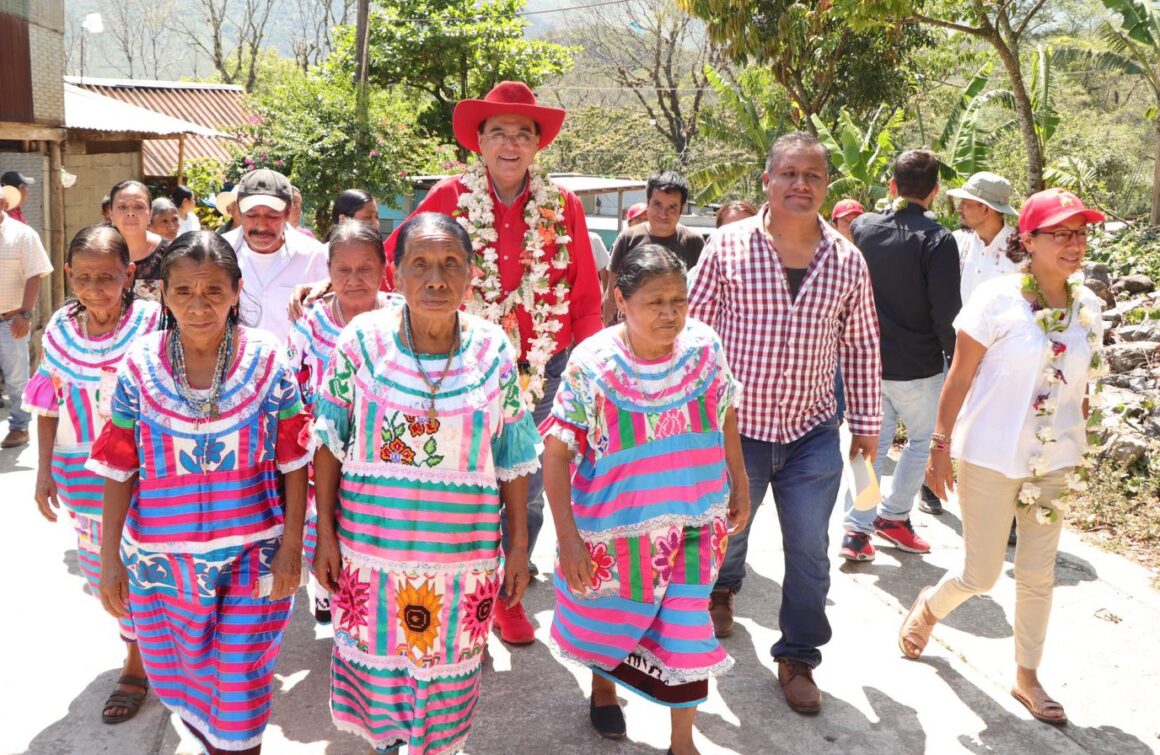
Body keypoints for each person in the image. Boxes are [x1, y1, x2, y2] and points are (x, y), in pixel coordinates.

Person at [292, 81, 602, 645]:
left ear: (537, 145)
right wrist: (335, 285)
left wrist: (590, 373)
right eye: (498, 132)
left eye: (523, 134)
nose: (510, 144)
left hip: (539, 364)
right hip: (451, 361)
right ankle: (446, 591)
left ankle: (507, 589)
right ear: (479, 141)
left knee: (525, 479)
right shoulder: (450, 196)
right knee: (456, 476)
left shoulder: (565, 206)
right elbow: (394, 259)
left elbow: (582, 296)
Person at [311, 212, 541, 754]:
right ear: (396, 274)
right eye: (420, 264)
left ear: (469, 274)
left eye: (450, 264)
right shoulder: (361, 342)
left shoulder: (492, 349)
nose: (436, 279)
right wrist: (324, 536)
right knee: (380, 679)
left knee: (448, 680)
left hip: (462, 558)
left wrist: (517, 547)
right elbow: (328, 442)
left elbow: (511, 457)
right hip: (371, 553)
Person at [87, 231, 312, 755]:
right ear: (164, 294)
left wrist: (291, 546)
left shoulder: (269, 359)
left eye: (213, 290)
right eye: (184, 291)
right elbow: (119, 468)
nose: (198, 304)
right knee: (183, 682)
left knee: (240, 686)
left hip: (252, 556)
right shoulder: (138, 365)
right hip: (160, 564)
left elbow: (295, 459)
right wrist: (109, 560)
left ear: (236, 291)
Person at [688, 131, 882, 714]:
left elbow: (862, 345)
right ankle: (721, 590)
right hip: (735, 428)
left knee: (809, 550)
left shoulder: (846, 260)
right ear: (767, 180)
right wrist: (686, 413)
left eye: (813, 175)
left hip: (811, 431)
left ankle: (798, 656)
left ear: (826, 185)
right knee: (727, 528)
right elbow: (694, 333)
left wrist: (866, 427)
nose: (802, 184)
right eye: (790, 173)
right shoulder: (727, 247)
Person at [900, 188, 1106, 727]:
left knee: (1038, 575)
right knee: (982, 574)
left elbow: (1081, 386)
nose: (1074, 244)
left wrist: (1075, 438)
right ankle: (930, 607)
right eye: (1060, 233)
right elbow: (960, 377)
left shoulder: (1088, 308)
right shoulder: (997, 299)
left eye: (1080, 233)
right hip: (989, 456)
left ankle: (1027, 677)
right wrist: (938, 448)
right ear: (1029, 240)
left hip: (1053, 464)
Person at [543, 244, 749, 753]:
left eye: (679, 300)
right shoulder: (592, 363)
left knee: (688, 628)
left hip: (696, 522)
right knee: (609, 620)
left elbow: (725, 415)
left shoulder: (705, 348)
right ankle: (603, 688)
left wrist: (739, 483)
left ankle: (683, 742)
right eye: (656, 301)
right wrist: (568, 538)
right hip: (615, 529)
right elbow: (556, 453)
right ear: (621, 300)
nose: (670, 313)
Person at [24, 225, 160, 724]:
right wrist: (43, 471)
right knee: (109, 575)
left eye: (107, 277)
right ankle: (137, 650)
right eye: (84, 277)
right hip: (81, 477)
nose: (96, 288)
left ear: (129, 273)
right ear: (68, 275)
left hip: (147, 476)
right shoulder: (60, 329)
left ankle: (139, 664)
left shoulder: (153, 324)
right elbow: (48, 403)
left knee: (146, 569)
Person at [840, 150, 961, 562]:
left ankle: (856, 529)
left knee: (867, 446)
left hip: (867, 363)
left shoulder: (863, 228)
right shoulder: (938, 240)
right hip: (918, 366)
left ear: (893, 186)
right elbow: (946, 312)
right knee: (922, 440)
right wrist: (957, 361)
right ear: (936, 191)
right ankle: (893, 517)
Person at [286, 219, 395, 624]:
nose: (354, 279)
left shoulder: (403, 314)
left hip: (388, 456)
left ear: (383, 268)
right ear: (328, 272)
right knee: (325, 525)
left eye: (365, 268)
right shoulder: (311, 321)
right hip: (324, 453)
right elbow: (292, 384)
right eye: (343, 269)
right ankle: (329, 593)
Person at [224, 169, 327, 343]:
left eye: (272, 216)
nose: (261, 226)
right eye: (252, 215)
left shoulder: (315, 256)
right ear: (238, 211)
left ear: (288, 212)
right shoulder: (218, 253)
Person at [604, 171, 704, 324]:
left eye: (672, 207)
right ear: (648, 202)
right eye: (657, 204)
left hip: (676, 327)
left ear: (682, 208)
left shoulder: (694, 242)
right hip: (633, 329)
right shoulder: (627, 238)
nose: (663, 214)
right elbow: (611, 294)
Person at [0, 188, 53, 449]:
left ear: (2, 203)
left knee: (16, 378)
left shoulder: (22, 234)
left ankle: (20, 427)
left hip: (11, 319)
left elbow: (35, 274)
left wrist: (25, 314)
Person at [949, 171, 1019, 306]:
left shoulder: (1020, 248)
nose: (959, 208)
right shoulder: (956, 241)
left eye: (965, 203)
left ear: (986, 209)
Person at [107, 181, 168, 302]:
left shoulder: (170, 254)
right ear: (111, 214)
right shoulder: (96, 253)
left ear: (150, 213)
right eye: (122, 207)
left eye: (139, 207)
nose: (130, 213)